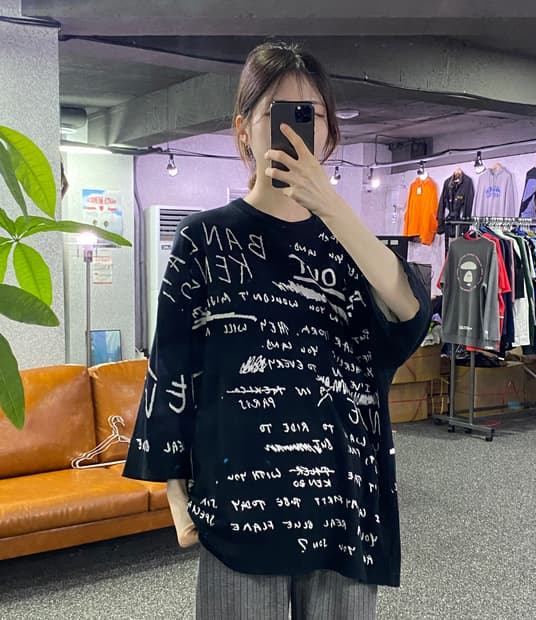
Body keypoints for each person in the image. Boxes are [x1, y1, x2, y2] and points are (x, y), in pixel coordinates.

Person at [123, 41, 431, 620]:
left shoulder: (352, 247)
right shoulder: (204, 241)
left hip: (339, 495)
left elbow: (409, 315)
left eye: (310, 115)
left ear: (330, 133)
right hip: (239, 493)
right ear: (243, 129)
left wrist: (331, 206)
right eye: (277, 113)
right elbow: (171, 367)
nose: (295, 130)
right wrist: (173, 488)